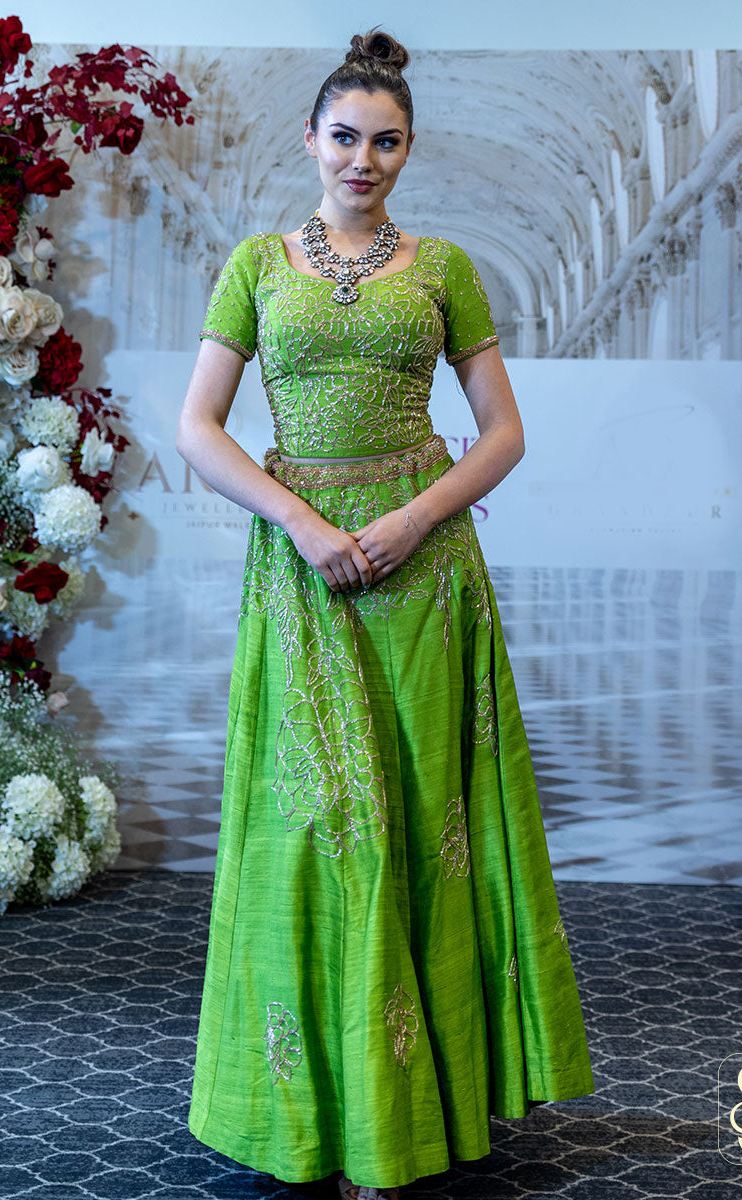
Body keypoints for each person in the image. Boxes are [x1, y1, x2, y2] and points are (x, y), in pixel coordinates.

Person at [177, 27, 595, 1200]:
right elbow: (195, 428)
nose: (364, 158)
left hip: (423, 572)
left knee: (424, 821)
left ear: (410, 150)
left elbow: (505, 433)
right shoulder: (257, 266)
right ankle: (321, 1113)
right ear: (311, 140)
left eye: (387, 141)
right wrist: (302, 525)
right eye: (346, 136)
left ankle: (417, 1114)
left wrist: (414, 519)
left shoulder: (447, 266)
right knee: (318, 829)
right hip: (304, 569)